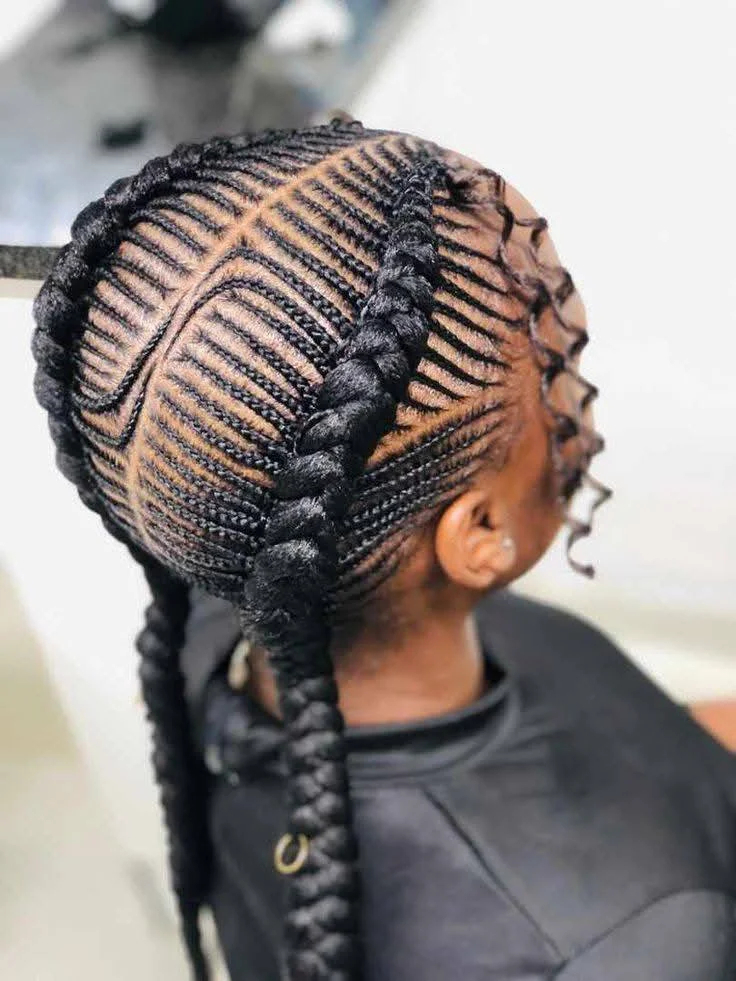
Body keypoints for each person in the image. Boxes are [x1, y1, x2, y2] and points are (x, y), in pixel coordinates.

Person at [32, 120, 736, 981]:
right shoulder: (636, 939)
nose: (580, 385)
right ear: (478, 534)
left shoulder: (234, 602)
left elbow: (640, 746)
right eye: (561, 365)